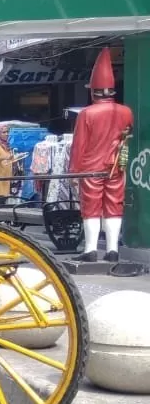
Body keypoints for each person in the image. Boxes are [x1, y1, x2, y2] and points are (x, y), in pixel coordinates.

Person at [72, 47, 134, 263]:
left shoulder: (86, 114)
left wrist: (74, 172)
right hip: (116, 167)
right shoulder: (126, 112)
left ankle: (90, 249)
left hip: (91, 168)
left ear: (93, 92)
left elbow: (79, 146)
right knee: (114, 206)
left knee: (91, 208)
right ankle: (112, 249)